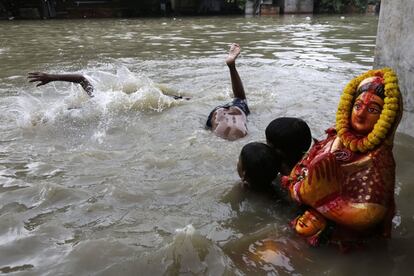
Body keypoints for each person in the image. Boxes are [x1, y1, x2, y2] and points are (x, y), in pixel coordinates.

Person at [281, 68, 402, 250]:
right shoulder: (336, 138)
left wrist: (326, 200)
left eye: (372, 109)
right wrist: (302, 190)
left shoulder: (379, 161)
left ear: (387, 118)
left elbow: (370, 214)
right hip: (305, 217)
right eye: (358, 106)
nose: (360, 114)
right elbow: (300, 170)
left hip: (340, 238)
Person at [206, 43, 250, 141]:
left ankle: (232, 66)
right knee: (240, 99)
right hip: (216, 116)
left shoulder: (241, 136)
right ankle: (232, 66)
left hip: (227, 113)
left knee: (240, 99)